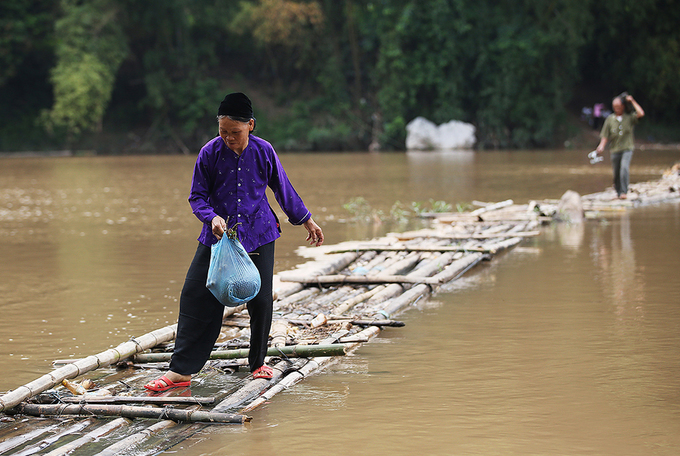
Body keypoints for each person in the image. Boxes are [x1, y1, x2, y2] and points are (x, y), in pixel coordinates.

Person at [145, 92, 324, 391]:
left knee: (261, 299)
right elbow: (197, 197)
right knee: (195, 296)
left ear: (250, 125)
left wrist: (306, 219)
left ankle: (258, 363)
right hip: (218, 237)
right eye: (223, 132)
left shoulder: (264, 151)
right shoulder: (209, 153)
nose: (229, 138)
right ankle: (180, 372)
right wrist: (211, 217)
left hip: (259, 232)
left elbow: (282, 188)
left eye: (235, 132)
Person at [594, 93, 645, 199]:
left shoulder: (629, 117)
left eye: (618, 106)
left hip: (627, 148)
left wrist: (632, 101)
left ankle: (624, 192)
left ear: (623, 106)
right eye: (614, 107)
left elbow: (640, 113)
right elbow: (605, 135)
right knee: (616, 172)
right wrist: (601, 146)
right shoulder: (610, 119)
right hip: (615, 149)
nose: (616, 108)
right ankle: (618, 192)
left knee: (624, 168)